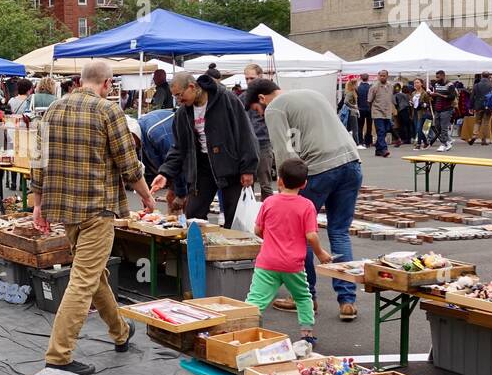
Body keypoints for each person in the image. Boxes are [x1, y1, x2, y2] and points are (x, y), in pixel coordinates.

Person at [31, 60, 154, 375]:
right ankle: (59, 355)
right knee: (84, 279)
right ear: (107, 84)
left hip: (65, 209)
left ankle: (120, 331)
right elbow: (128, 163)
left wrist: (37, 203)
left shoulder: (53, 111)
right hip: (97, 208)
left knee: (92, 273)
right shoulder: (108, 111)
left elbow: (38, 163)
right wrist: (146, 195)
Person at [249, 79, 363, 322]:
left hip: (320, 169)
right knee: (340, 232)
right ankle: (347, 301)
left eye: (257, 111)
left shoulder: (275, 107)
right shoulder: (311, 93)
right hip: (351, 162)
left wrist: (284, 187)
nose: (261, 115)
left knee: (301, 232)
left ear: (261, 99)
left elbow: (283, 151)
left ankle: (305, 297)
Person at [151, 71, 257, 227]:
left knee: (234, 215)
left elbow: (245, 133)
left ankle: (232, 249)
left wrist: (248, 168)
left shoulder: (226, 100)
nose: (179, 100)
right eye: (175, 97)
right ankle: (199, 250)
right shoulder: (182, 113)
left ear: (192, 87)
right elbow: (179, 147)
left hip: (230, 164)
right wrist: (164, 173)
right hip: (202, 167)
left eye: (180, 95)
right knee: (193, 213)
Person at [246, 158, 333, 345]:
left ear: (279, 180)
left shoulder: (269, 202)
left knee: (256, 299)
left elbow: (257, 230)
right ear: (304, 184)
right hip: (293, 264)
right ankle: (307, 335)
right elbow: (311, 236)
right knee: (303, 297)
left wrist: (269, 240)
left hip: (267, 261)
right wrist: (320, 253)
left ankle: (243, 330)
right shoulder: (307, 206)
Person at [240, 72, 275, 198]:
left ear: (260, 77)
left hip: (263, 142)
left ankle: (268, 211)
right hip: (248, 144)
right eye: (247, 78)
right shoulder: (242, 98)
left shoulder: (269, 97)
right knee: (248, 183)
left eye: (252, 78)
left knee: (265, 182)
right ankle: (250, 213)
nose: (249, 81)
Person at [369, 69, 396, 157]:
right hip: (377, 112)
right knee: (381, 131)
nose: (382, 77)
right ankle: (384, 149)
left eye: (384, 75)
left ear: (387, 76)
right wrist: (372, 110)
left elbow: (390, 99)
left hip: (387, 112)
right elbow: (369, 100)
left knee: (384, 131)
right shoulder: (374, 87)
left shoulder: (390, 86)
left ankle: (378, 150)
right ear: (378, 76)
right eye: (380, 75)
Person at [429, 70, 457, 151]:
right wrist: (431, 95)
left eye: (438, 77)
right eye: (436, 77)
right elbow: (435, 96)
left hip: (447, 109)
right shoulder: (436, 84)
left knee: (444, 127)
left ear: (443, 76)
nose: (436, 79)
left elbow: (452, 97)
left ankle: (443, 144)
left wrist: (439, 95)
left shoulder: (450, 85)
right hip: (437, 108)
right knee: (437, 126)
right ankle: (448, 141)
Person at [469, 73, 492, 145]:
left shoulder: (476, 85)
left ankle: (474, 135)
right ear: (489, 76)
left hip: (478, 106)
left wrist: (471, 107)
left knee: (477, 121)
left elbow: (472, 97)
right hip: (488, 106)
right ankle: (484, 139)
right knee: (485, 122)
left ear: (481, 76)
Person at [341, 79, 361, 144]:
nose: (357, 85)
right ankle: (356, 143)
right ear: (353, 85)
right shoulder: (350, 92)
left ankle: (349, 142)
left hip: (352, 112)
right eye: (356, 84)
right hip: (352, 112)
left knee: (350, 128)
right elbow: (345, 101)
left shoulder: (351, 92)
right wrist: (353, 106)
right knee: (355, 129)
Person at [356, 73, 372, 147]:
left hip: (360, 109)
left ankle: (360, 141)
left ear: (361, 78)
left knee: (360, 126)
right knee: (369, 126)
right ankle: (368, 142)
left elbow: (357, 99)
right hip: (369, 109)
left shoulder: (358, 88)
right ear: (368, 78)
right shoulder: (370, 88)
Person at [393, 82, 412, 147]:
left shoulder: (396, 95)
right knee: (406, 125)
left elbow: (395, 103)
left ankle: (404, 138)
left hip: (401, 110)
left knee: (402, 125)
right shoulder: (404, 95)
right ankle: (408, 138)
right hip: (405, 110)